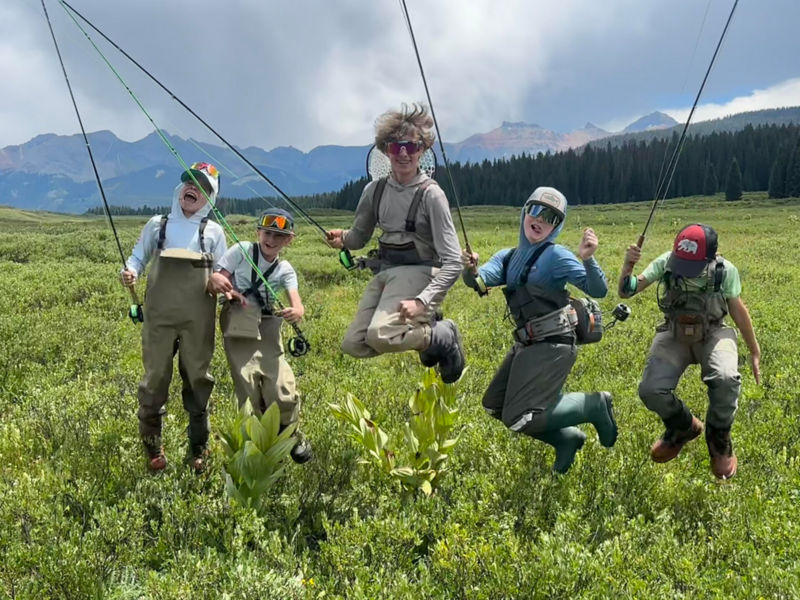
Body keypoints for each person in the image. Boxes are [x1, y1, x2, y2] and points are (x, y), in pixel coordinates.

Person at [463, 187, 617, 473]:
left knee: (519, 416)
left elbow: (599, 289)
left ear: (556, 226)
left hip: (554, 342)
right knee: (494, 405)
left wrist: (588, 258)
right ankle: (566, 439)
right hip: (528, 343)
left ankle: (592, 406)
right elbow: (479, 282)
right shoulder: (507, 257)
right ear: (525, 211)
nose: (540, 220)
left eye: (551, 218)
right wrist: (470, 270)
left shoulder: (557, 256)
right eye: (536, 210)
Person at [325, 103, 465, 383]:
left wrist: (422, 302)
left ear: (422, 150)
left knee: (380, 334)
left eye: (411, 147)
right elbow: (358, 237)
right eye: (396, 146)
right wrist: (342, 239)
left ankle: (441, 334)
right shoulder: (373, 191)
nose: (403, 153)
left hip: (420, 273)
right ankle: (427, 337)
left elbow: (453, 262)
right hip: (385, 272)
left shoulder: (432, 196)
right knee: (353, 344)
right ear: (385, 149)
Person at [619, 224, 760, 479]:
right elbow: (628, 290)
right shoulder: (667, 262)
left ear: (710, 258)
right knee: (650, 390)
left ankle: (718, 439)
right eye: (680, 261)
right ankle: (682, 427)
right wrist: (627, 266)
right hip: (674, 333)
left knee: (726, 379)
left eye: (690, 265)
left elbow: (738, 309)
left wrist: (754, 350)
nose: (682, 268)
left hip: (714, 332)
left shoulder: (725, 272)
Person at [121, 162, 227, 472]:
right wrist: (130, 272)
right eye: (189, 182)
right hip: (159, 318)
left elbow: (223, 271)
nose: (193, 188)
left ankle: (199, 447)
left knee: (197, 379)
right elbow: (137, 256)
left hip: (199, 320)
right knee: (155, 378)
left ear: (211, 198)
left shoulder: (215, 232)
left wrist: (220, 280)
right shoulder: (158, 225)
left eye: (202, 186)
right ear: (179, 190)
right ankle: (153, 449)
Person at [206, 208, 312, 464]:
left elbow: (297, 304)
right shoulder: (241, 250)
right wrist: (222, 286)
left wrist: (295, 312)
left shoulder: (285, 269)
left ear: (289, 240)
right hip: (238, 319)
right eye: (267, 233)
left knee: (281, 388)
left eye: (279, 235)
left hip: (269, 326)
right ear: (258, 232)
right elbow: (219, 277)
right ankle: (258, 448)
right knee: (248, 388)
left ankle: (291, 434)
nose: (271, 240)